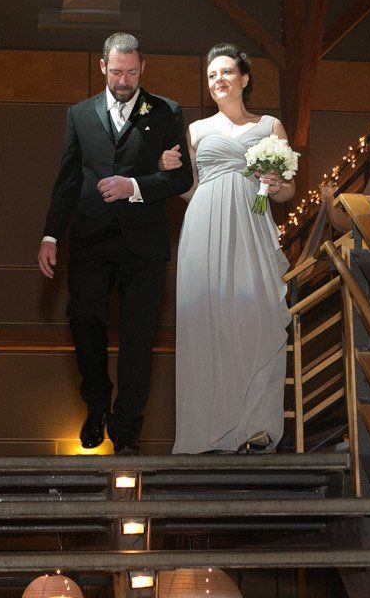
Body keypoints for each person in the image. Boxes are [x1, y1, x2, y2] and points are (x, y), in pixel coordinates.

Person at [38, 32, 193, 455]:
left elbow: (181, 179)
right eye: (117, 71)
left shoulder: (165, 112)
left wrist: (134, 186)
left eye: (133, 71)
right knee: (84, 320)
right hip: (89, 239)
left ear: (143, 68)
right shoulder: (79, 114)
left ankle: (126, 429)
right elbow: (68, 180)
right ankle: (96, 403)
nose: (125, 79)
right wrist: (51, 235)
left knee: (138, 338)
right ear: (103, 67)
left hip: (143, 246)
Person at [164, 43, 295, 454]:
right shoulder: (197, 131)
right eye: (211, 76)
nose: (217, 80)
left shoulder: (270, 125)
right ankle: (208, 429)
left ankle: (256, 425)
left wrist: (276, 184)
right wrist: (170, 175)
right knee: (209, 323)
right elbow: (193, 191)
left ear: (244, 77)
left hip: (252, 223)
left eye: (225, 72)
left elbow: (287, 190)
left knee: (258, 318)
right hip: (203, 227)